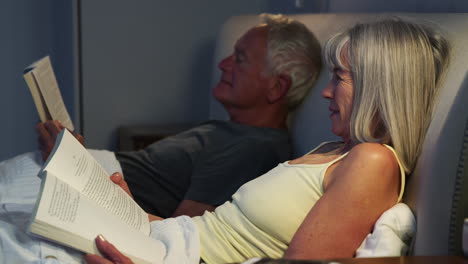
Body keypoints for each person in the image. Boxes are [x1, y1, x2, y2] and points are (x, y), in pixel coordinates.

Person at [85, 17, 450, 264]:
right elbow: (219, 231)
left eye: (339, 77)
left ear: (378, 86)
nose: (326, 93)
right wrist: (133, 214)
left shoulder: (373, 162)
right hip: (163, 241)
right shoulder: (335, 151)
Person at [36, 13, 323, 218]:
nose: (223, 64)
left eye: (239, 59)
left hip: (89, 192)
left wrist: (71, 169)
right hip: (92, 175)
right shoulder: (234, 132)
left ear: (276, 87)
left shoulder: (253, 148)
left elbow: (179, 232)